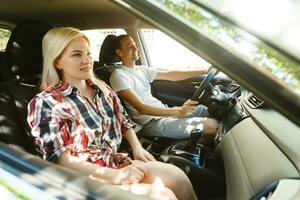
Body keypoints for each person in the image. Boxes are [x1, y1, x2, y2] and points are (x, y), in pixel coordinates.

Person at [27, 27, 197, 200]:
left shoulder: (102, 89)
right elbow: (61, 160)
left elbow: (123, 120)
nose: (87, 60)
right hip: (83, 176)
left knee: (179, 178)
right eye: (77, 55)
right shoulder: (47, 102)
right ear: (57, 62)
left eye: (88, 53)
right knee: (162, 195)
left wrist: (137, 148)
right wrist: (115, 176)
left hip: (115, 160)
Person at [110, 34, 218, 141]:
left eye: (134, 44)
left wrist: (204, 71)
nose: (135, 47)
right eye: (130, 46)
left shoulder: (142, 70)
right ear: (119, 52)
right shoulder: (118, 75)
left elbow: (170, 75)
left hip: (165, 112)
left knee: (206, 110)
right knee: (211, 125)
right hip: (150, 122)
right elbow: (141, 108)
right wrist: (179, 112)